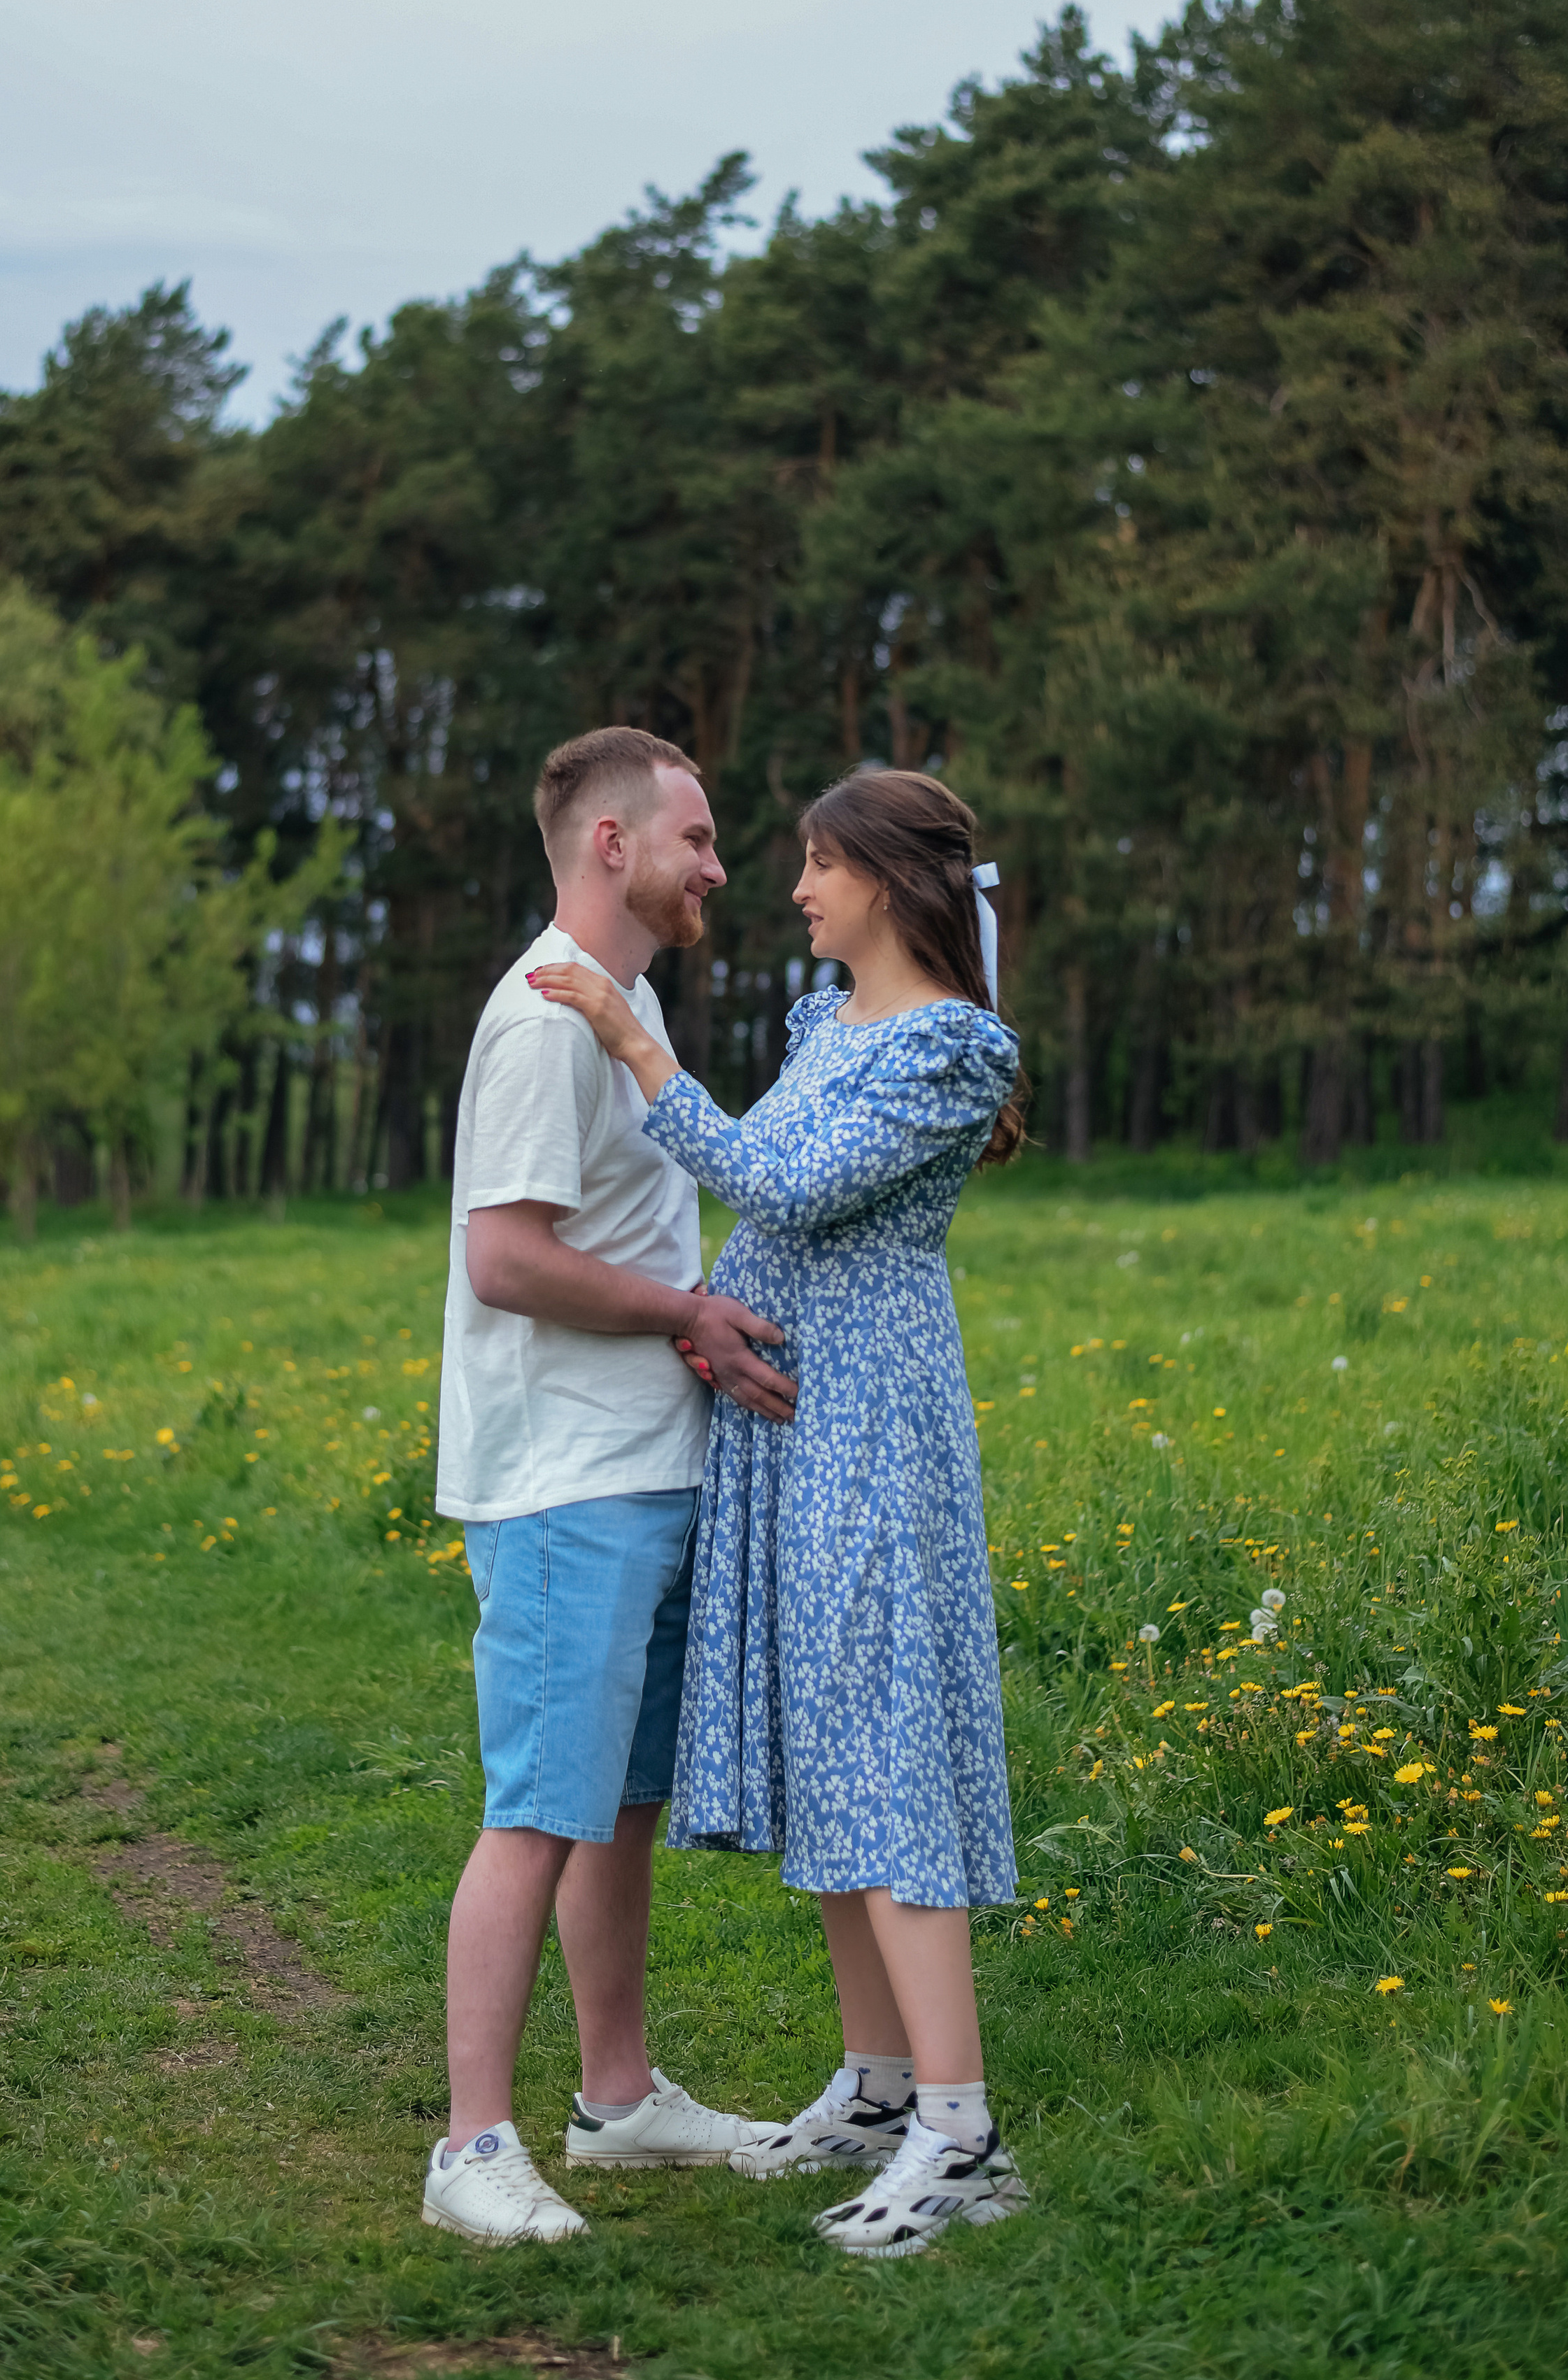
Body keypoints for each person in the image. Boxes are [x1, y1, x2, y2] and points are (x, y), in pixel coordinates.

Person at [529, 766, 1029, 2258]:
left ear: (885, 879)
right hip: (796, 1432)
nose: (792, 888)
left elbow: (781, 1183)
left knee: (884, 1748)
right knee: (835, 1751)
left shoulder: (948, 1046)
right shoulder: (833, 1026)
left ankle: (962, 2135)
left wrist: (627, 1036)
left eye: (817, 864)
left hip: (868, 1429)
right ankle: (876, 2089)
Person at [421, 726, 794, 2248]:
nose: (719, 865)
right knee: (537, 1814)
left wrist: (692, 1308)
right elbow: (502, 1259)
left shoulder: (624, 1004)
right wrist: (687, 1315)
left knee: (618, 1811)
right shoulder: (541, 1021)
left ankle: (619, 2102)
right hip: (562, 1481)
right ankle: (470, 2150)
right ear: (610, 847)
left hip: (641, 1465)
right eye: (697, 839)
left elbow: (620, 1232)